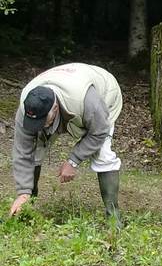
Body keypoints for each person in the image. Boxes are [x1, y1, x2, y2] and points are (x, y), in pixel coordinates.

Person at [9, 63, 124, 228]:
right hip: (67, 90)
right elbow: (22, 152)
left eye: (42, 121)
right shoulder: (27, 107)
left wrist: (73, 161)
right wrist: (23, 192)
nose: (38, 127)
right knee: (35, 151)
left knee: (102, 154)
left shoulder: (89, 103)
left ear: (55, 109)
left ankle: (114, 219)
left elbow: (99, 132)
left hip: (103, 93)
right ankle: (27, 208)